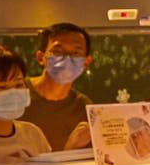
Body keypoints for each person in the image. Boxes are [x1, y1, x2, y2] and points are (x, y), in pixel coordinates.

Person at [26, 23, 97, 151]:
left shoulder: (83, 107)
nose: (67, 59)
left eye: (76, 53)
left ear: (86, 62)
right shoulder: (15, 94)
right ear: (41, 57)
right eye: (58, 51)